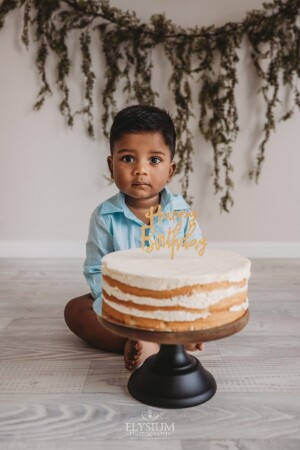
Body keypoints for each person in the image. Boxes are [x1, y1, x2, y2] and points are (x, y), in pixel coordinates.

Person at [64, 105, 204, 371]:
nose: (140, 170)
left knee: (198, 304)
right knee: (75, 310)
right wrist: (121, 305)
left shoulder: (181, 214)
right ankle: (139, 340)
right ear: (111, 164)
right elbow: (97, 271)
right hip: (124, 302)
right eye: (128, 159)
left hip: (169, 301)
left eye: (154, 160)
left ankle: (174, 335)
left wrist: (186, 308)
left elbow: (195, 267)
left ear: (171, 170)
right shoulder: (105, 217)